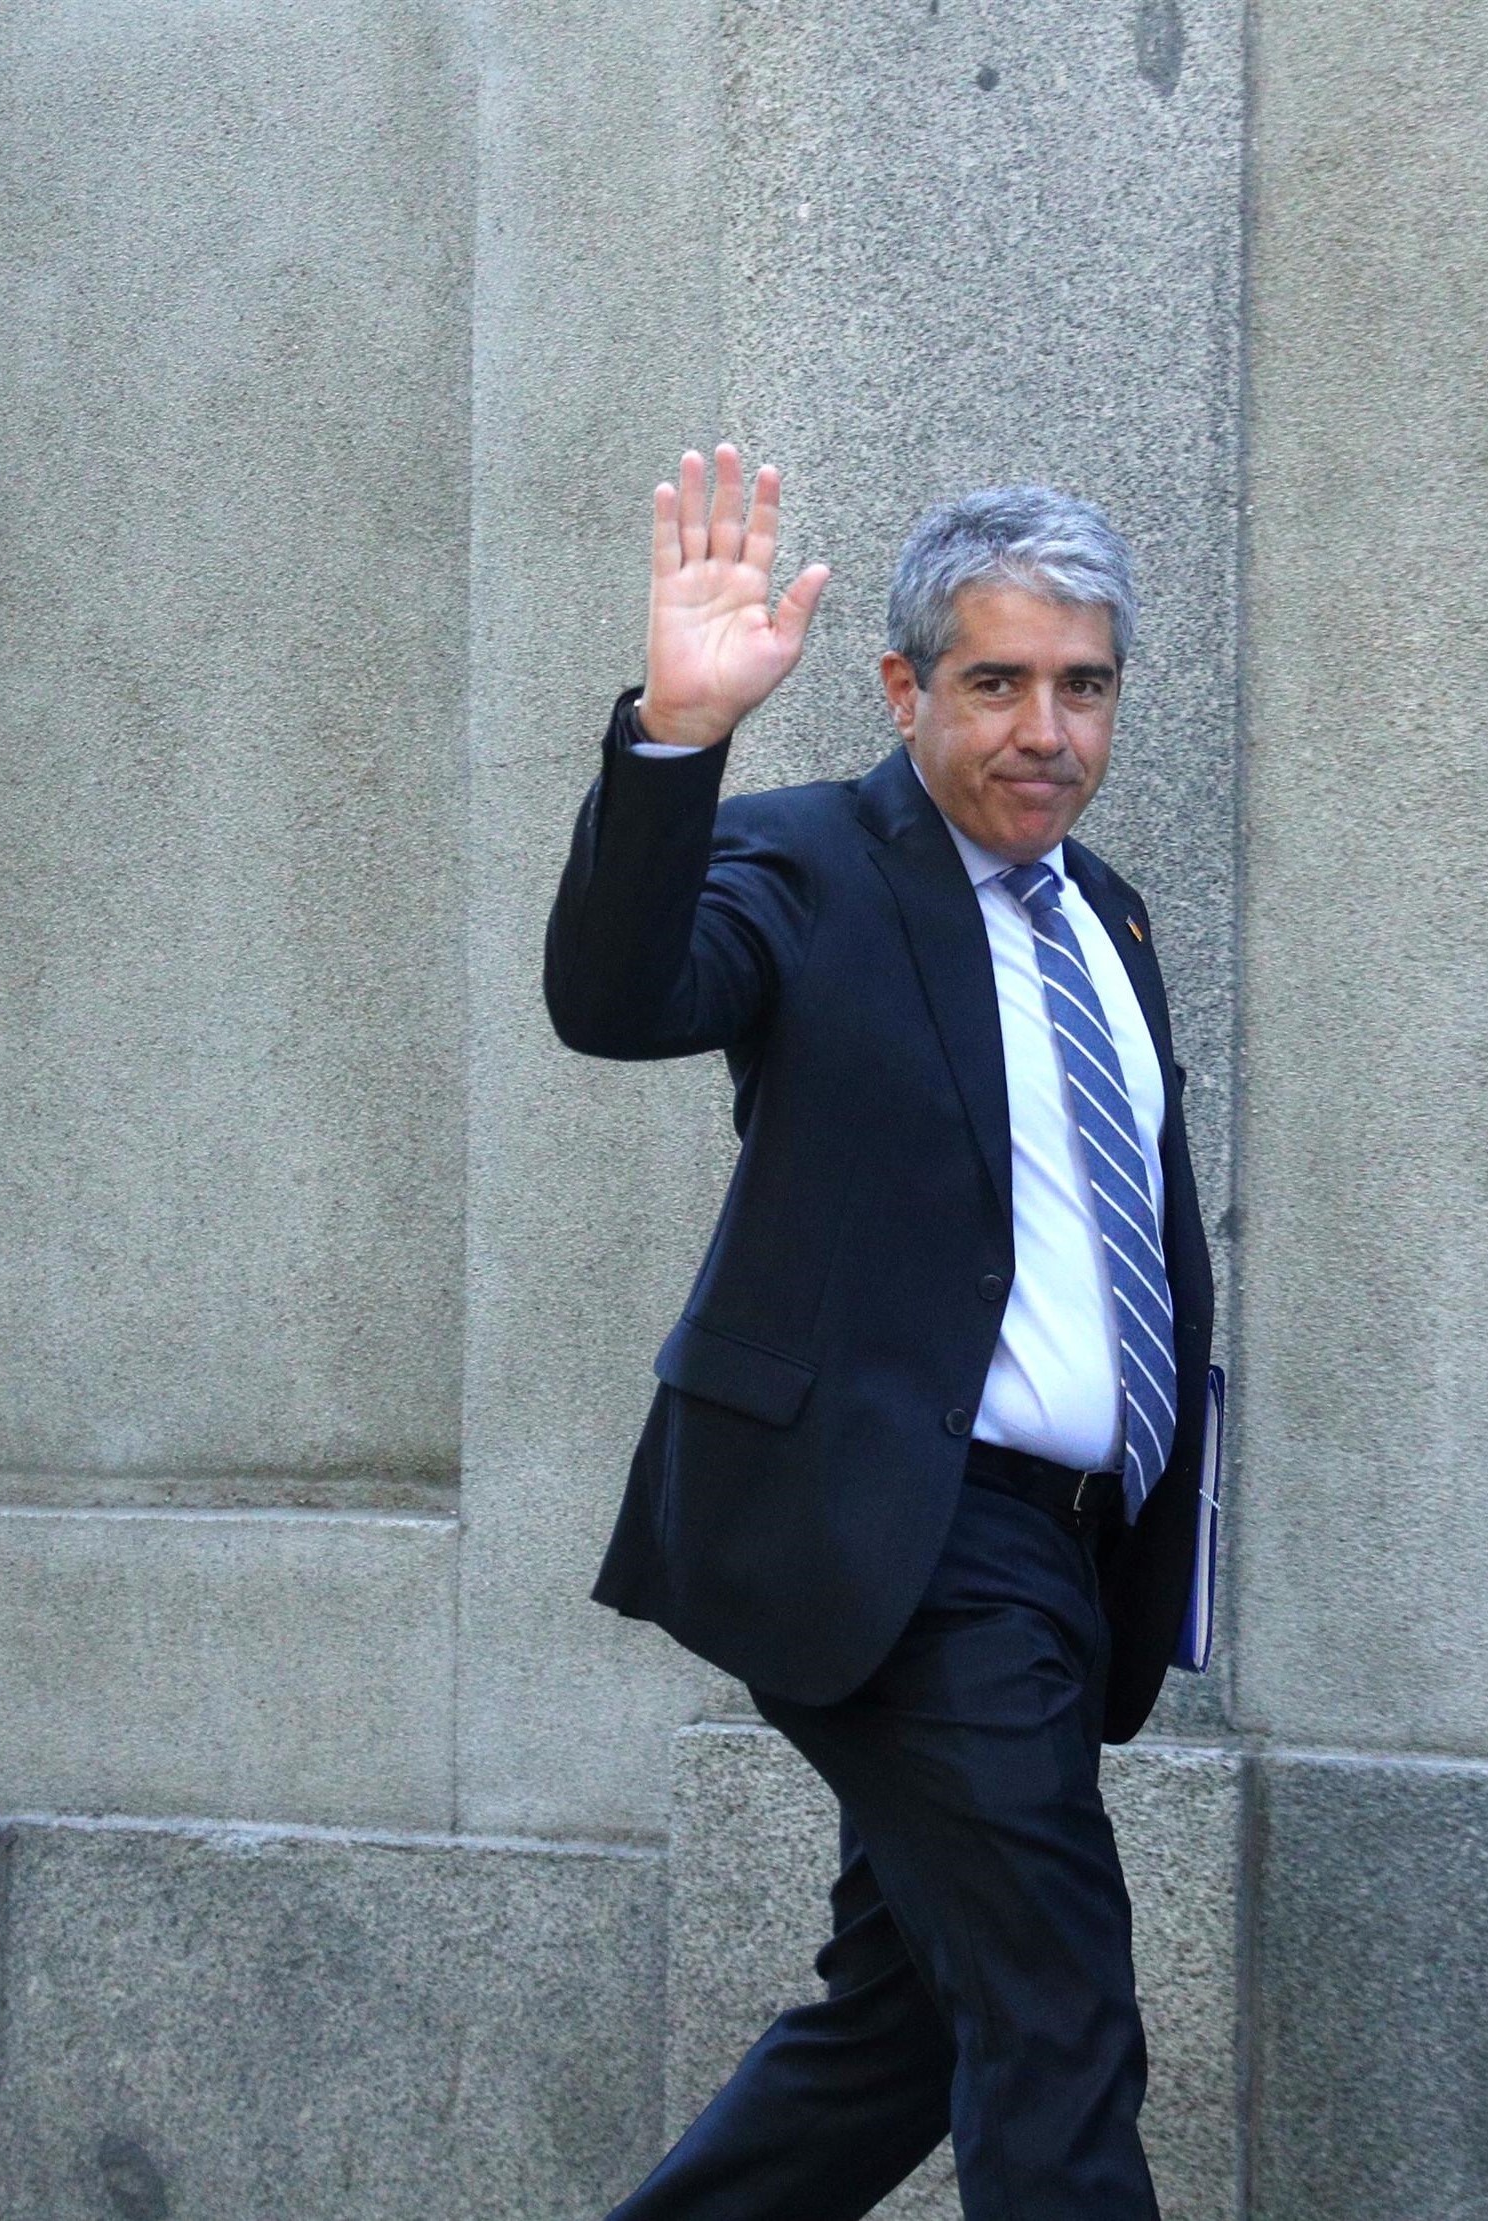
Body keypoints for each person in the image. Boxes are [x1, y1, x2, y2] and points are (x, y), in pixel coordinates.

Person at [544, 446, 1214, 2221]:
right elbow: (617, 997)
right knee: (1059, 2005)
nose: (1046, 731)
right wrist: (677, 743)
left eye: (1084, 687)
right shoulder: (810, 861)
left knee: (907, 2027)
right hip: (901, 1533)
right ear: (906, 689)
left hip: (1065, 1557)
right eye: (997, 683)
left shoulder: (1109, 915)